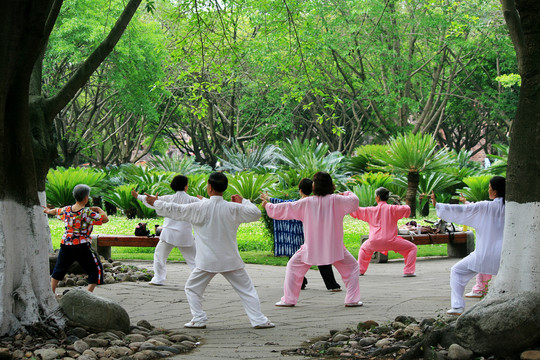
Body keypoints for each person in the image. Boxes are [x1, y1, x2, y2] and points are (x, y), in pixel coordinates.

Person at [145, 172, 274, 329]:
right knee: (247, 290)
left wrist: (156, 202)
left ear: (210, 188)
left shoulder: (199, 208)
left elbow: (176, 210)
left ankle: (198, 318)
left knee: (192, 289)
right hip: (230, 259)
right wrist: (244, 201)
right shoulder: (233, 208)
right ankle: (259, 320)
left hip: (207, 261)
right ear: (223, 188)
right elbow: (255, 213)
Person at [262, 172, 362, 307]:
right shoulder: (337, 200)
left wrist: (268, 206)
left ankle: (289, 299)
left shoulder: (307, 202)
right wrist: (346, 193)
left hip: (311, 248)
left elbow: (287, 208)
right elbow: (354, 201)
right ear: (330, 185)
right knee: (352, 267)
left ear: (314, 186)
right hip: (335, 248)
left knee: (292, 267)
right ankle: (352, 300)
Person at [431, 176, 506, 316]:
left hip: (485, 255)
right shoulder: (515, 207)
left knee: (457, 271)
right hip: (508, 257)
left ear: (495, 192)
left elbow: (462, 211)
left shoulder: (485, 207)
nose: (488, 190)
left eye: (489, 188)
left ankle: (457, 307)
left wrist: (437, 205)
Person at [261, 178, 342, 292]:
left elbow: (284, 205)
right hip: (313, 237)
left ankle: (300, 283)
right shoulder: (316, 202)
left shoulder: (300, 203)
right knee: (322, 261)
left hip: (297, 239)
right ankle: (332, 285)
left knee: (294, 263)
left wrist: (268, 201)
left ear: (300, 190)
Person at [132, 175, 199, 286]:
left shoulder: (168, 198)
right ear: (186, 187)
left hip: (169, 234)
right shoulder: (192, 200)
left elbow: (151, 200)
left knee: (159, 256)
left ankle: (158, 278)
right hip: (184, 234)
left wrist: (137, 196)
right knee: (193, 259)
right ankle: (198, 280)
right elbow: (208, 206)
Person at [44, 184, 109, 294]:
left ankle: (51, 293)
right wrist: (98, 209)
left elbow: (55, 211)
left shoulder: (66, 209)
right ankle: (88, 294)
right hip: (82, 245)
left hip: (66, 244)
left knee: (59, 268)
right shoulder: (87, 212)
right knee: (95, 269)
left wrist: (47, 211)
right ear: (85, 198)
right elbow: (105, 219)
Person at [350, 187, 417, 277]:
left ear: (377, 197)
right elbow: (407, 208)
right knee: (412, 248)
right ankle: (409, 271)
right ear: (387, 197)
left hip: (373, 241)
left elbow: (356, 210)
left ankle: (360, 270)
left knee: (364, 249)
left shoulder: (370, 210)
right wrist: (398, 204)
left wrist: (347, 195)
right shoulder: (393, 209)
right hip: (391, 241)